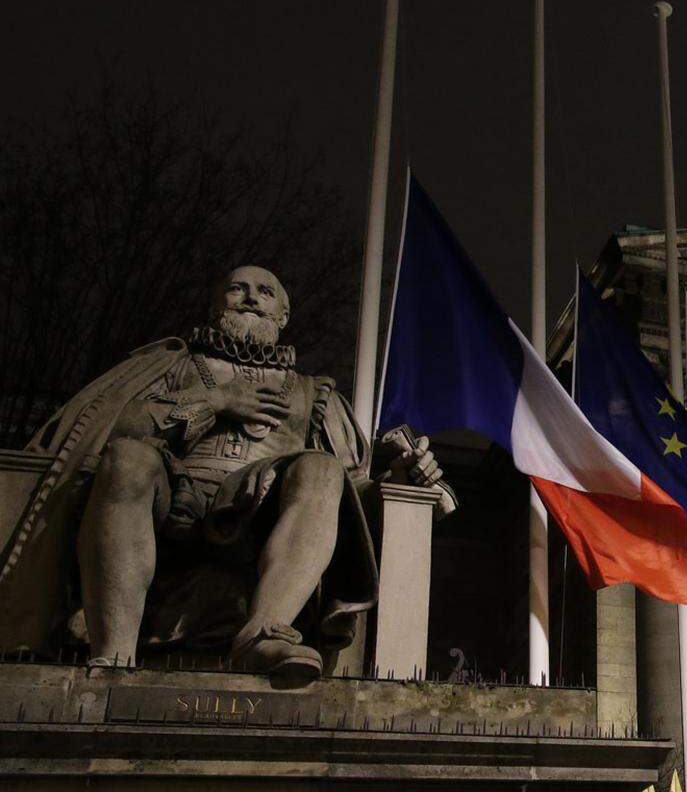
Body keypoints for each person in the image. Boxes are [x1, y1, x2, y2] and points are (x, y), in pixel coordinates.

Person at [0, 266, 449, 685]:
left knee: (321, 468)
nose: (251, 298)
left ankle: (263, 633)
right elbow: (106, 432)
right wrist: (213, 403)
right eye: (238, 289)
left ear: (284, 315)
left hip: (262, 515)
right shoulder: (171, 366)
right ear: (217, 306)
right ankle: (114, 657)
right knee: (127, 459)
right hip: (165, 503)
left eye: (266, 292)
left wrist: (399, 476)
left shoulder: (316, 394)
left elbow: (350, 492)